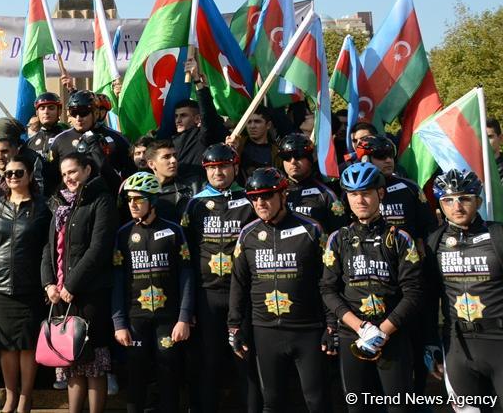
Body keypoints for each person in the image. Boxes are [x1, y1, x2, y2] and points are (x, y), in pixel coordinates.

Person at [228, 168, 334, 412]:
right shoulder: (247, 234)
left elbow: (328, 281)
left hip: (307, 330)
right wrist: (234, 326)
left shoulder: (312, 229)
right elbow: (239, 283)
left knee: (316, 401)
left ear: (283, 195)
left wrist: (332, 324)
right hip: (264, 331)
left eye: (266, 196)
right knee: (272, 402)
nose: (260, 202)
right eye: (254, 197)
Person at [321, 162, 422, 413]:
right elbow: (328, 290)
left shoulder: (399, 238)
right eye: (353, 194)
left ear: (380, 193)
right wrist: (361, 327)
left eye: (366, 192)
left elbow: (414, 291)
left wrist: (383, 331)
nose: (360, 200)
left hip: (393, 336)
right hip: (352, 335)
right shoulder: (338, 238)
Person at [181, 144, 261, 413]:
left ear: (235, 167)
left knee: (245, 359)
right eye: (212, 168)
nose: (218, 172)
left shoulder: (250, 199)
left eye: (223, 166)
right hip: (207, 295)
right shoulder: (195, 203)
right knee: (209, 361)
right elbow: (187, 255)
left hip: (244, 295)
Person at [42, 152, 117, 413]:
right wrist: (49, 284)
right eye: (64, 174)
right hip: (61, 295)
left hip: (90, 294)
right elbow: (48, 248)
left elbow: (98, 249)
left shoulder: (102, 200)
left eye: (73, 171)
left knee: (93, 359)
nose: (68, 178)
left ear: (87, 170)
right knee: (70, 358)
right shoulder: (62, 204)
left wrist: (71, 285)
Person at [112, 173, 193, 413]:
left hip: (168, 319)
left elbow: (186, 275)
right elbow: (117, 280)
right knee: (135, 378)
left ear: (153, 201)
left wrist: (184, 317)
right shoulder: (123, 234)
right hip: (135, 318)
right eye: (129, 200)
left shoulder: (174, 231)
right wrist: (119, 323)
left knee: (169, 376)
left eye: (138, 199)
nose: (133, 204)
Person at [424, 169, 503, 405]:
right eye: (448, 200)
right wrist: (430, 343)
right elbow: (429, 297)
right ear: (440, 204)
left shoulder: (497, 235)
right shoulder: (434, 242)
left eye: (464, 198)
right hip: (457, 344)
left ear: (478, 201)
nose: (456, 206)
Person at [0, 155, 50, 413]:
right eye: (8, 174)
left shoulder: (43, 207)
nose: (12, 177)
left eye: (18, 173)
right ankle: (10, 396)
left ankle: (25, 396)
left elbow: (48, 248)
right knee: (6, 345)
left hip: (30, 285)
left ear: (30, 176)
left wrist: (47, 281)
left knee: (27, 344)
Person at [278, 133, 346, 233]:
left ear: (311, 158)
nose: (292, 161)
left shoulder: (327, 195)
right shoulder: (275, 193)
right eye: (286, 156)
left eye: (298, 155)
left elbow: (339, 235)